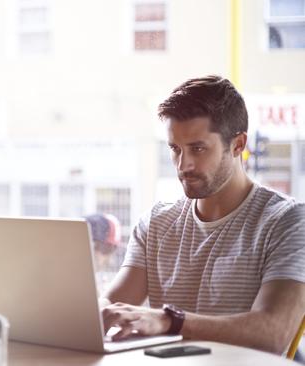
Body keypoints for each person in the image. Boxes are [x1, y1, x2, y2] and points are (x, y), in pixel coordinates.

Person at [99, 75, 305, 355]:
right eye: (175, 149)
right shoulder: (157, 223)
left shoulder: (287, 221)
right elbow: (109, 307)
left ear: (237, 145)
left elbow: (273, 333)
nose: (183, 165)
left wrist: (170, 321)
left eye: (197, 148)